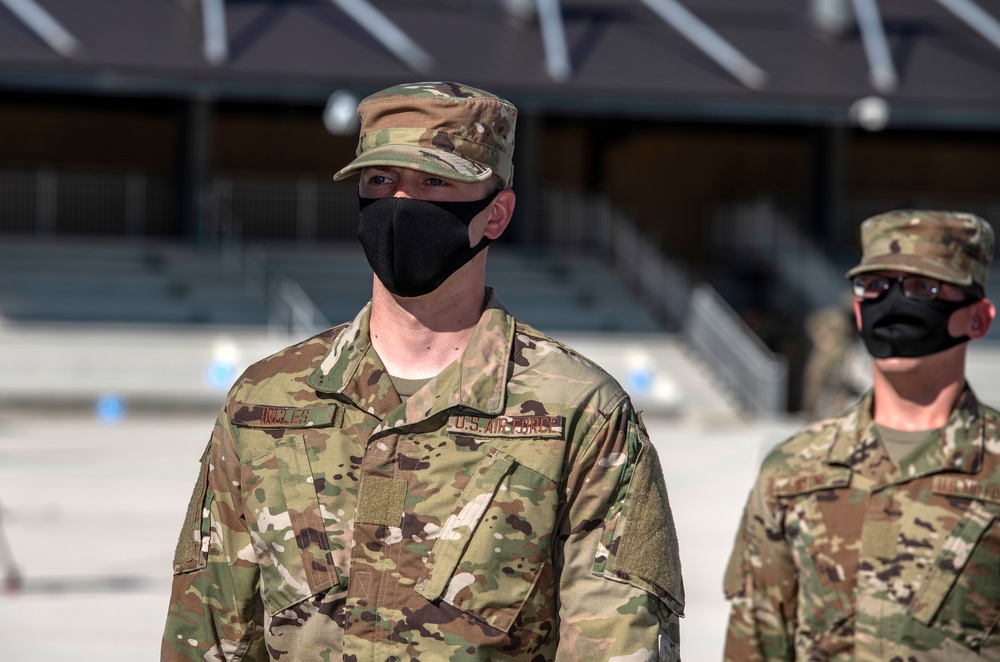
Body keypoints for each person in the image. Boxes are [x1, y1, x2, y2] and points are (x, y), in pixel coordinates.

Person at [161, 81, 684, 662]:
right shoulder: (265, 402)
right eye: (380, 182)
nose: (400, 206)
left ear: (496, 213)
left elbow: (617, 643)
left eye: (434, 182)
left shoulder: (580, 412)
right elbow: (208, 634)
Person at [723, 209, 1000, 660]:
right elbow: (757, 639)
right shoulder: (793, 469)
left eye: (922, 288)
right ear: (857, 310)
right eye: (875, 287)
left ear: (978, 319)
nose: (893, 303)